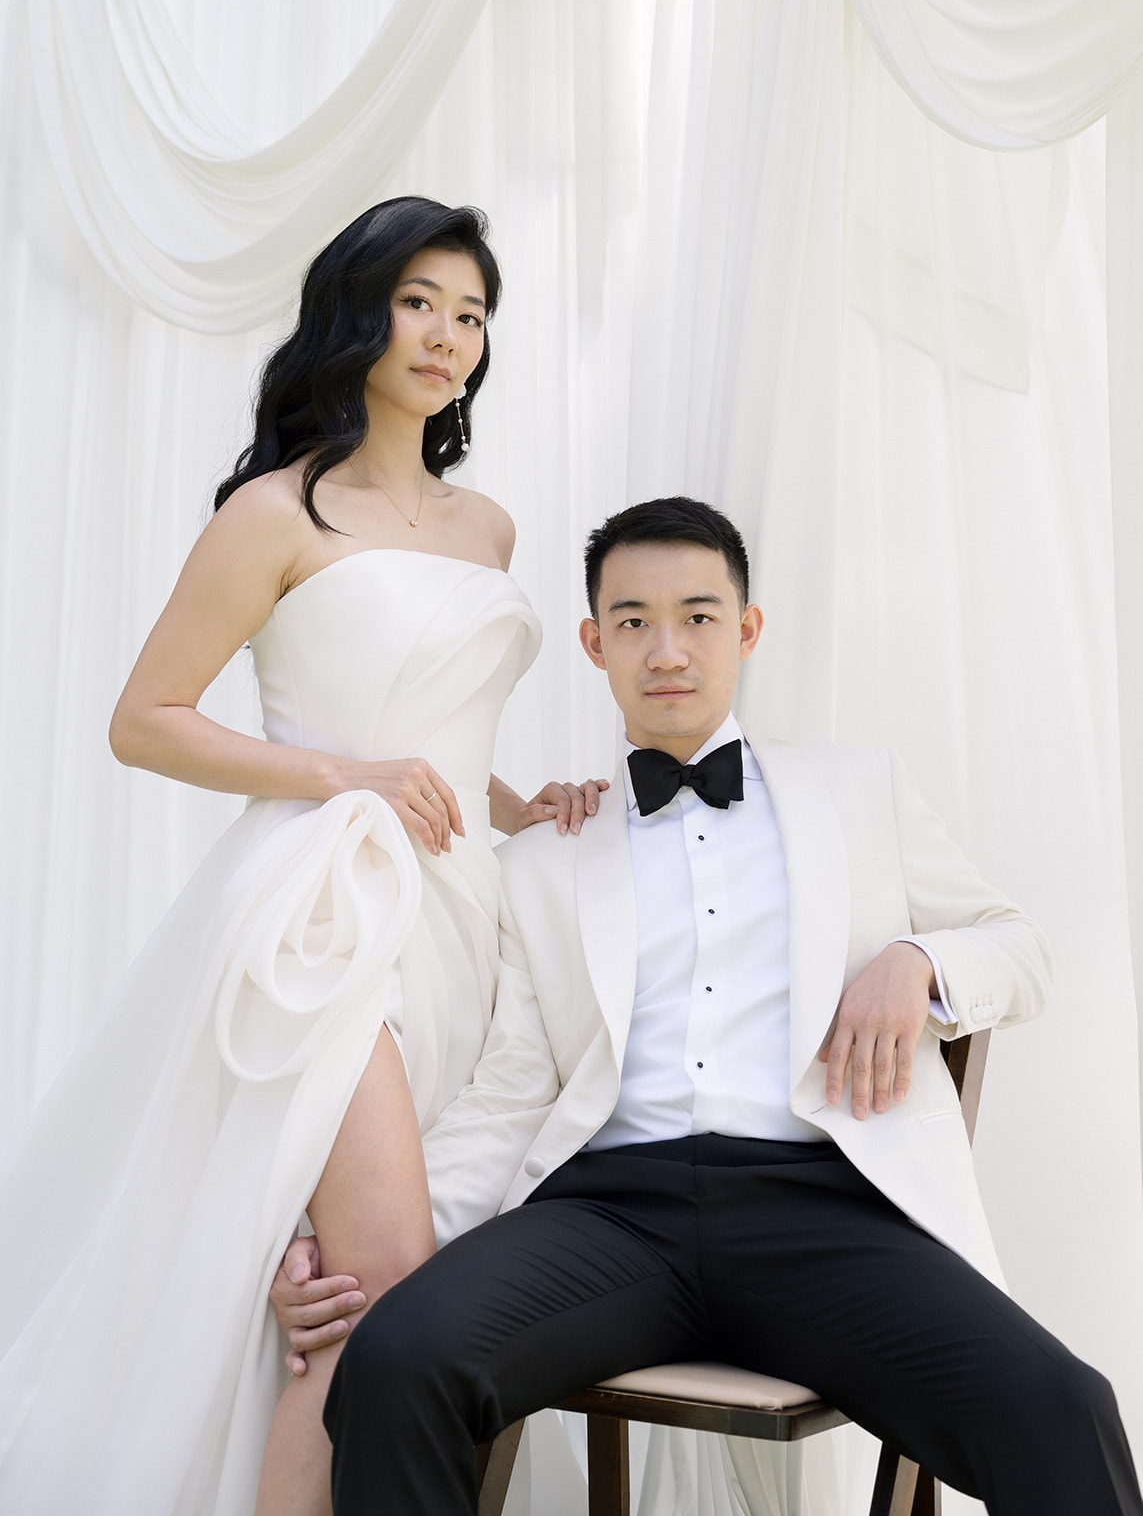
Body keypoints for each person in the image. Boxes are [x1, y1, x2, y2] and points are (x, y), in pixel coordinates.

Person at [276, 496, 1142, 1515]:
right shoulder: (548, 859)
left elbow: (1021, 948)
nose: (668, 648)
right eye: (634, 621)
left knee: (1064, 1405)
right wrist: (364, 1257)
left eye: (698, 614)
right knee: (400, 1357)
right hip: (607, 1218)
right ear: (596, 643)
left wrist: (914, 957)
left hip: (821, 1214)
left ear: (747, 628)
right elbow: (511, 1094)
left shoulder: (859, 790)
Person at [0, 197, 605, 1516]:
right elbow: (142, 721)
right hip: (323, 913)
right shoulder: (274, 513)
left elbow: (431, 736)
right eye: (421, 302)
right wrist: (345, 776)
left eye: (473, 312)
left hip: (461, 920)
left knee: (370, 1297)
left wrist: (511, 805)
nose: (450, 334)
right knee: (377, 1298)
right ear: (357, 309)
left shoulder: (486, 526)